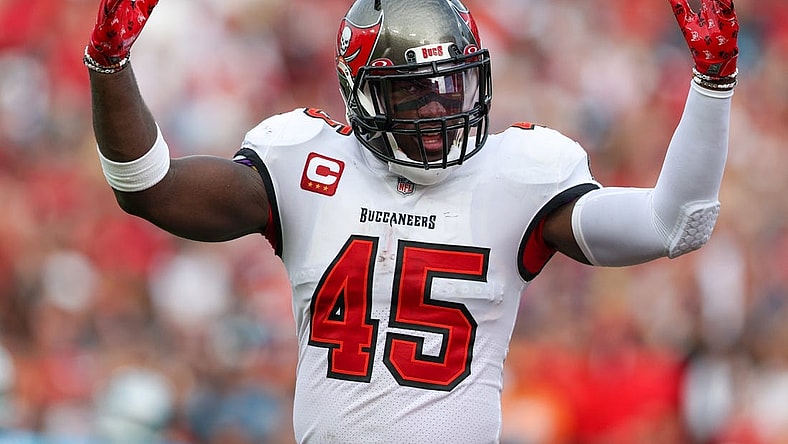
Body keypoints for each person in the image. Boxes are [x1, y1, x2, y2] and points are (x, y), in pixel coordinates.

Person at [84, 0, 739, 442]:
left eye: (451, 85)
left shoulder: (519, 175)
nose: (438, 107)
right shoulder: (306, 164)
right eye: (413, 91)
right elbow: (149, 187)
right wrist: (109, 66)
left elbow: (673, 223)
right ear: (361, 90)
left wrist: (714, 83)